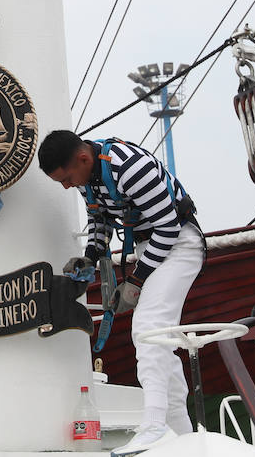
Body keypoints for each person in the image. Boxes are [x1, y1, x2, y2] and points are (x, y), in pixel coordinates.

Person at [38, 130, 203, 456]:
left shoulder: (130, 167)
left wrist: (136, 282)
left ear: (83, 158)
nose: (67, 186)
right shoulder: (89, 181)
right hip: (151, 249)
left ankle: (154, 426)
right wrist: (89, 257)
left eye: (67, 178)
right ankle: (183, 436)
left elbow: (168, 228)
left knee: (149, 329)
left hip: (180, 245)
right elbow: (100, 222)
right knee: (161, 345)